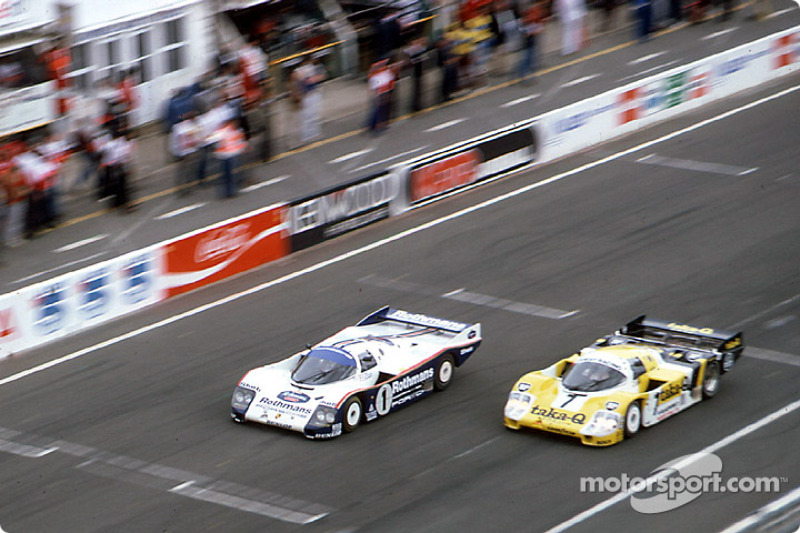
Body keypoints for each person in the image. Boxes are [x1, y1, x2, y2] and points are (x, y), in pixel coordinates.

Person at [211, 117, 248, 198]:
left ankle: (230, 192)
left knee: (230, 175)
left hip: (231, 155)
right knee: (226, 175)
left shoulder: (237, 132)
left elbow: (240, 142)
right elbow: (214, 140)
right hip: (223, 156)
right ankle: (225, 192)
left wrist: (243, 148)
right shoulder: (223, 132)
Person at [169, 111, 202, 194]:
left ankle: (183, 187)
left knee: (185, 170)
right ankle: (183, 187)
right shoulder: (185, 127)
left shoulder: (178, 127)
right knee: (185, 170)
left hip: (185, 151)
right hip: (186, 151)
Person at [518, 0, 546, 83]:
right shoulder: (527, 15)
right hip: (528, 38)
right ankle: (524, 77)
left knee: (530, 57)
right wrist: (535, 30)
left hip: (530, 36)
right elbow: (526, 26)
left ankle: (528, 76)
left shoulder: (530, 13)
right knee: (527, 58)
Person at [367, 58, 396, 133]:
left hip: (382, 90)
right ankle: (374, 126)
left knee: (379, 109)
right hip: (381, 91)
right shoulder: (382, 71)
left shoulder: (381, 71)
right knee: (378, 109)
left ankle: (375, 125)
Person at [403, 37, 428, 113]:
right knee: (416, 90)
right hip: (415, 73)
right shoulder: (413, 51)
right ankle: (415, 106)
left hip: (418, 73)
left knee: (419, 89)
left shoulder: (418, 50)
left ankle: (417, 104)